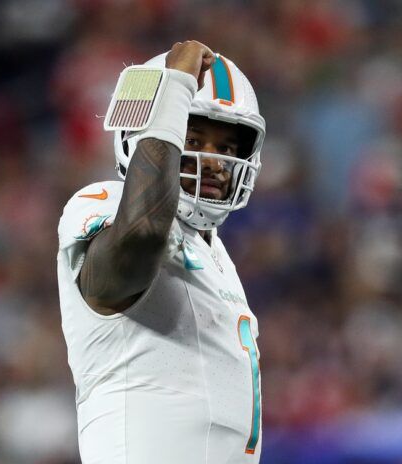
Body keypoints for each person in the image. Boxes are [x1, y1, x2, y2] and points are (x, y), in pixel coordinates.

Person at [57, 41, 266, 463]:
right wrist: (173, 88)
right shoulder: (103, 202)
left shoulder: (215, 254)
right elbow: (143, 231)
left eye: (227, 148)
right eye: (193, 138)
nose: (215, 162)